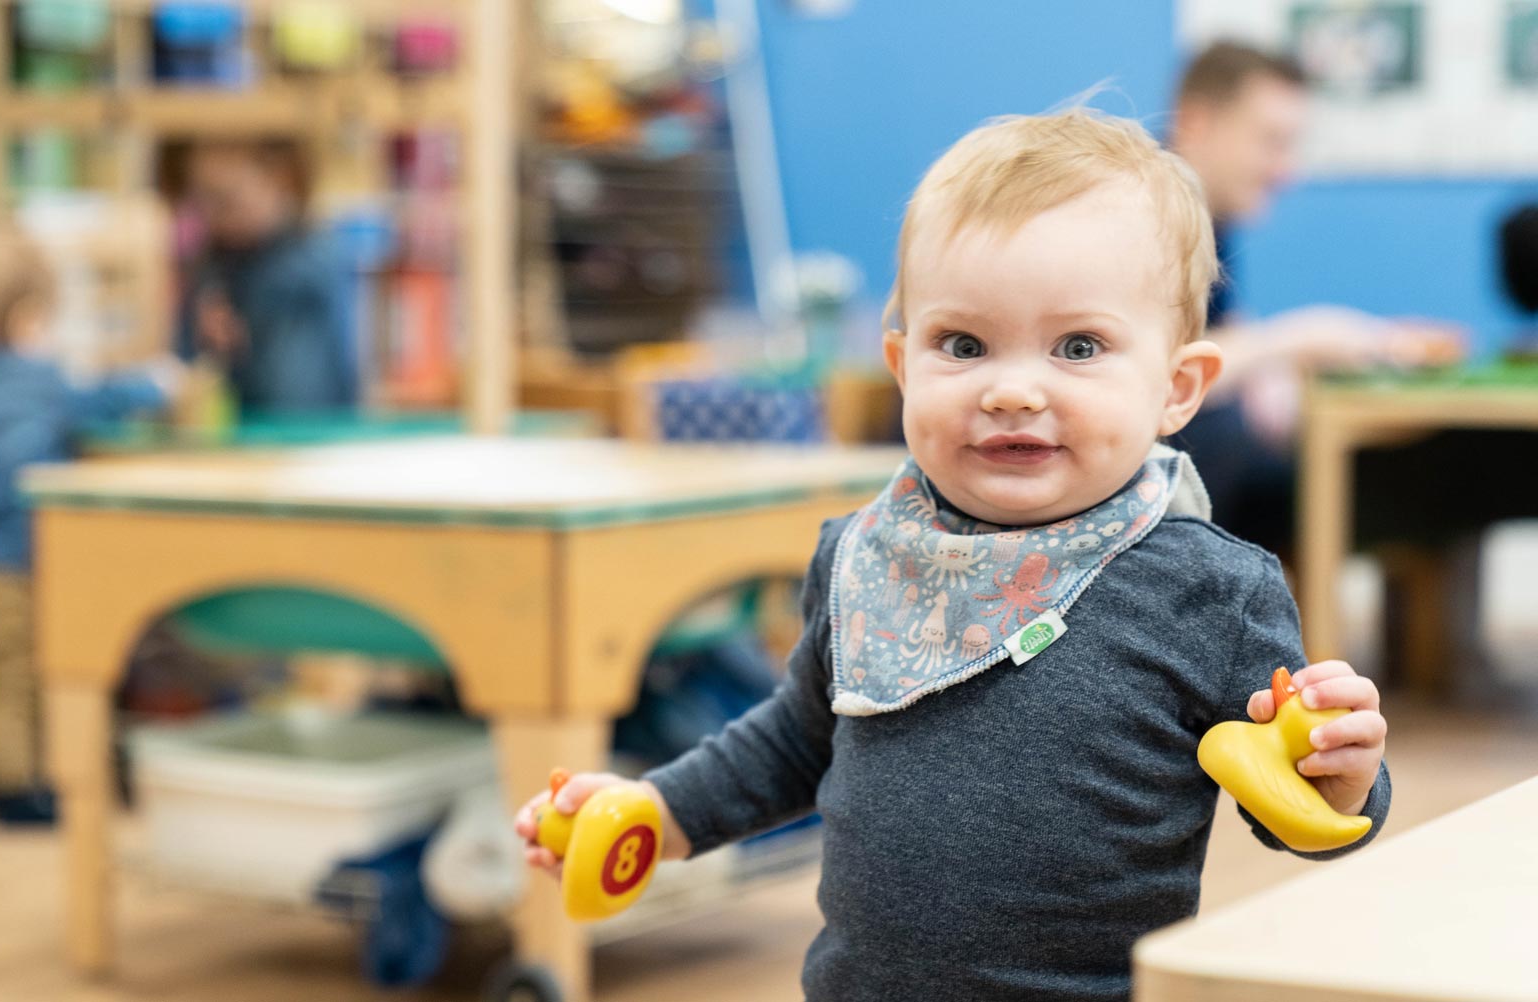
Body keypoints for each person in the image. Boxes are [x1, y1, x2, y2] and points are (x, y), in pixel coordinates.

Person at [514, 109, 1393, 1001]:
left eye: (1078, 347)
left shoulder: (1210, 590)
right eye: (962, 346)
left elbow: (1292, 805)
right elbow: (797, 739)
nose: (1012, 390)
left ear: (1176, 390)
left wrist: (1345, 775)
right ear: (902, 364)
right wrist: (662, 812)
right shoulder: (862, 553)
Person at [0, 219, 177, 825]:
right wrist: (158, 381)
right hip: (0, 571)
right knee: (11, 683)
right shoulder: (41, 385)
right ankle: (14, 785)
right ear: (27, 318)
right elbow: (106, 399)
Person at [1168, 41, 1462, 550]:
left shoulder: (1211, 223)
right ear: (1197, 122)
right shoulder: (1144, 221)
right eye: (1271, 141)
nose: (1287, 171)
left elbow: (1223, 342)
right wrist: (1304, 337)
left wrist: (1374, 343)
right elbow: (1152, 376)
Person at [172, 136, 358, 415]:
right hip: (241, 434)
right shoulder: (214, 265)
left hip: (305, 434)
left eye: (226, 200)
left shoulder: (315, 258)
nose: (212, 217)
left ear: (278, 180)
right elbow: (187, 370)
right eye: (201, 202)